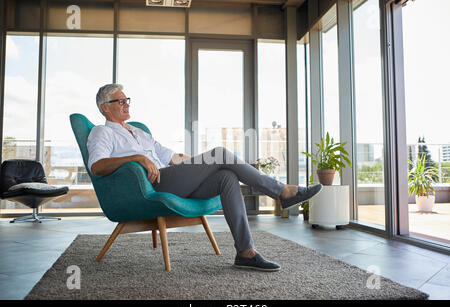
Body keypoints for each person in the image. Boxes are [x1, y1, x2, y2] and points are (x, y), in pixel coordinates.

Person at [87, 84, 323, 272]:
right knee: (220, 153)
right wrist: (137, 158)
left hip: (172, 178)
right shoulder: (102, 132)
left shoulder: (138, 132)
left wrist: (203, 164)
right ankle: (282, 192)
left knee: (227, 175)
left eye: (127, 100)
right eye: (120, 101)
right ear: (105, 107)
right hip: (152, 186)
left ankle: (246, 252)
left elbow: (173, 157)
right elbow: (97, 166)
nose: (126, 104)